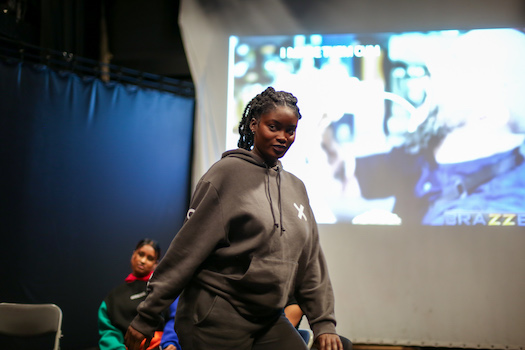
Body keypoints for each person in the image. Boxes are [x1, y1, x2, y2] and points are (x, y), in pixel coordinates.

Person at [124, 87, 344, 350]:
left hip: (268, 318)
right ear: (254, 124)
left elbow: (311, 263)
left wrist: (323, 322)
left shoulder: (296, 188)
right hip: (215, 314)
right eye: (273, 127)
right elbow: (186, 251)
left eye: (290, 130)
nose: (283, 137)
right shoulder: (225, 175)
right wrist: (147, 315)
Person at [98, 238, 181, 350]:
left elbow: (176, 317)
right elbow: (109, 331)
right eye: (140, 254)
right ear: (133, 255)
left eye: (150, 258)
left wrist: (170, 343)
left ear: (156, 264)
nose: (143, 261)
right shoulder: (114, 298)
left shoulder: (165, 291)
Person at [285, 295, 352, 350]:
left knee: (341, 343)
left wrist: (325, 328)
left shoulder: (293, 296)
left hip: (284, 342)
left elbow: (284, 329)